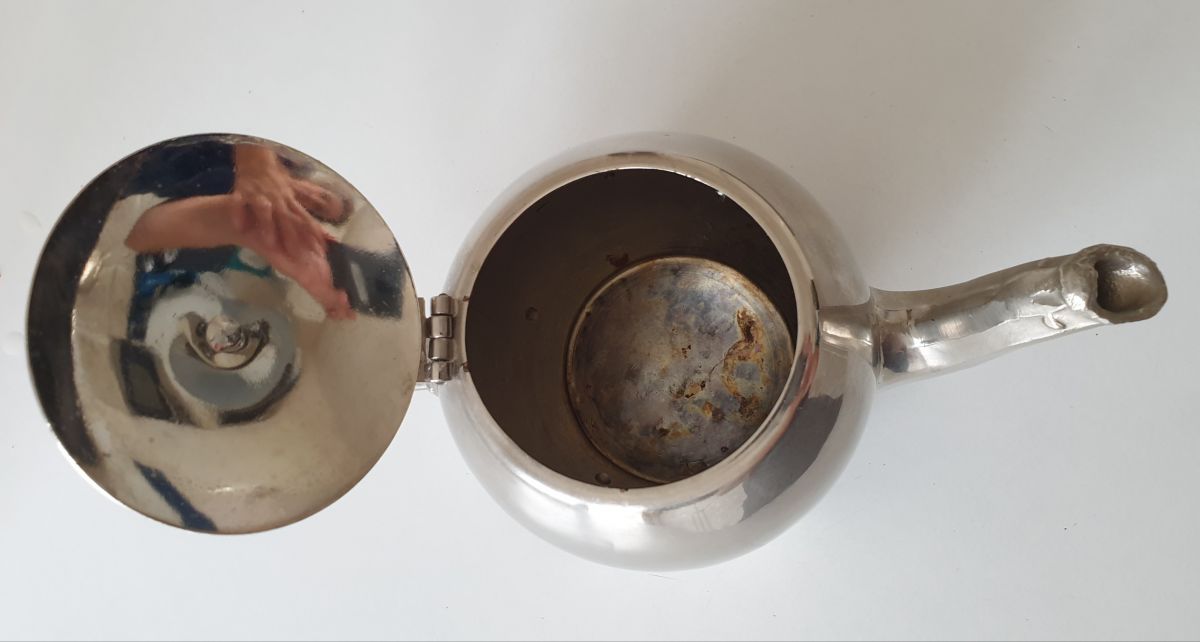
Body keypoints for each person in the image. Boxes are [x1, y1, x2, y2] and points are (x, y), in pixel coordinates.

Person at [123, 141, 356, 325]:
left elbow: (142, 233)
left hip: (131, 172)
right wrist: (256, 160)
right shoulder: (289, 153)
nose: (314, 200)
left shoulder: (250, 209)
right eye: (323, 197)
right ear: (318, 183)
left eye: (317, 209)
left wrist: (245, 227)